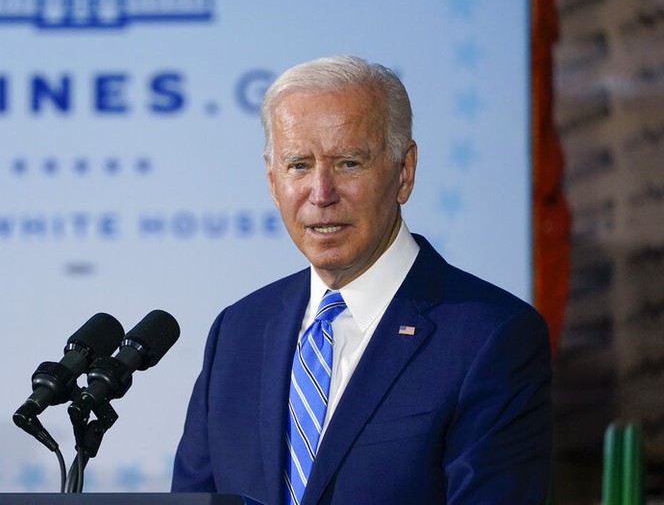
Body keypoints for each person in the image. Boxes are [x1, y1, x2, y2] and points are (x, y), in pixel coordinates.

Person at [171, 56, 552, 504]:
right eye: (298, 166)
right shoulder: (238, 333)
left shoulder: (490, 336)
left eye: (348, 163)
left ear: (404, 172)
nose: (321, 194)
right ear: (272, 182)